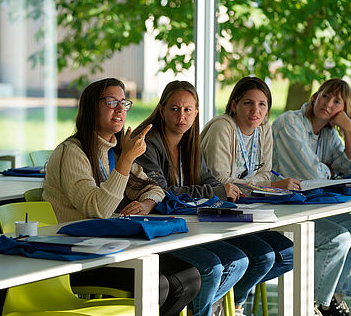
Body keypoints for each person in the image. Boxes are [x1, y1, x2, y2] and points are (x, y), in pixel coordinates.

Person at [43, 77, 201, 316]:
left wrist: (146, 205)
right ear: (90, 108)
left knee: (190, 277)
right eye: (110, 102)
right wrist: (126, 160)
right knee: (158, 284)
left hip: (113, 248)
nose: (119, 109)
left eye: (123, 103)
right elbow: (98, 210)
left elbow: (154, 188)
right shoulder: (71, 152)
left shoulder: (114, 149)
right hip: (77, 256)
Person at [134, 80, 252, 316]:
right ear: (161, 110)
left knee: (239, 260)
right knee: (212, 267)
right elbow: (163, 192)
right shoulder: (148, 142)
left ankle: (196, 307)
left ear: (196, 112)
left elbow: (208, 181)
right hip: (157, 229)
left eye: (188, 110)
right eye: (174, 109)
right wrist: (219, 192)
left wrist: (222, 188)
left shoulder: (189, 141)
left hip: (189, 225)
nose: (182, 116)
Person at [200, 77, 294, 314]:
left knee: (289, 253)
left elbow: (265, 174)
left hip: (248, 209)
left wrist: (253, 184)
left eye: (262, 105)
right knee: (262, 257)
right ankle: (227, 305)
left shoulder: (264, 129)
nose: (256, 110)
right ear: (234, 105)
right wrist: (263, 184)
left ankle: (231, 299)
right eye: (248, 103)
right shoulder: (223, 128)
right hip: (216, 211)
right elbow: (220, 181)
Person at [272, 78, 351, 316]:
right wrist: (329, 171)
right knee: (338, 239)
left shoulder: (328, 134)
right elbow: (312, 175)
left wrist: (348, 129)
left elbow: (346, 169)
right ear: (315, 96)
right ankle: (313, 305)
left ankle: (333, 297)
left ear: (344, 110)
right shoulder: (290, 122)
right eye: (325, 95)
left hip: (308, 209)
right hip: (280, 212)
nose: (328, 103)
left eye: (337, 101)